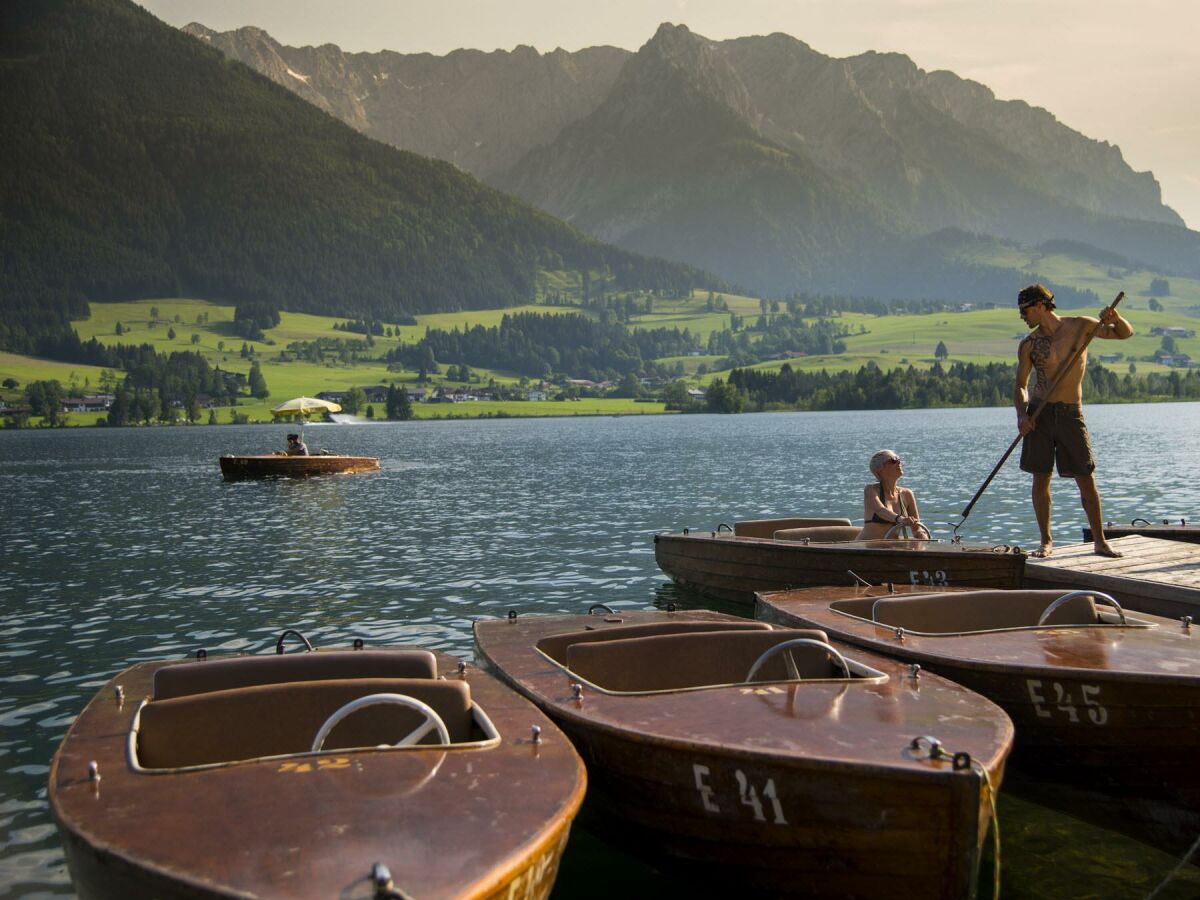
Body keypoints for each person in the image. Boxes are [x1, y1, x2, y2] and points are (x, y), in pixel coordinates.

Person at [1013, 283, 1133, 558]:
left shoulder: (1081, 326)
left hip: (1070, 414)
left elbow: (1124, 334)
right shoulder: (1028, 344)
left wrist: (1116, 319)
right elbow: (1020, 384)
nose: (1022, 316)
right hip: (1039, 415)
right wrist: (1022, 415)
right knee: (1040, 479)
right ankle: (1045, 541)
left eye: (1025, 310)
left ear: (1040, 306)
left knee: (1086, 478)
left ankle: (1100, 542)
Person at [855, 449, 927, 540]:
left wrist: (924, 538)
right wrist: (901, 519)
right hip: (867, 550)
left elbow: (917, 529)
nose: (899, 462)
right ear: (879, 469)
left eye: (899, 459)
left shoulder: (907, 494)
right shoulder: (870, 490)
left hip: (892, 549)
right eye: (893, 460)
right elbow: (881, 510)